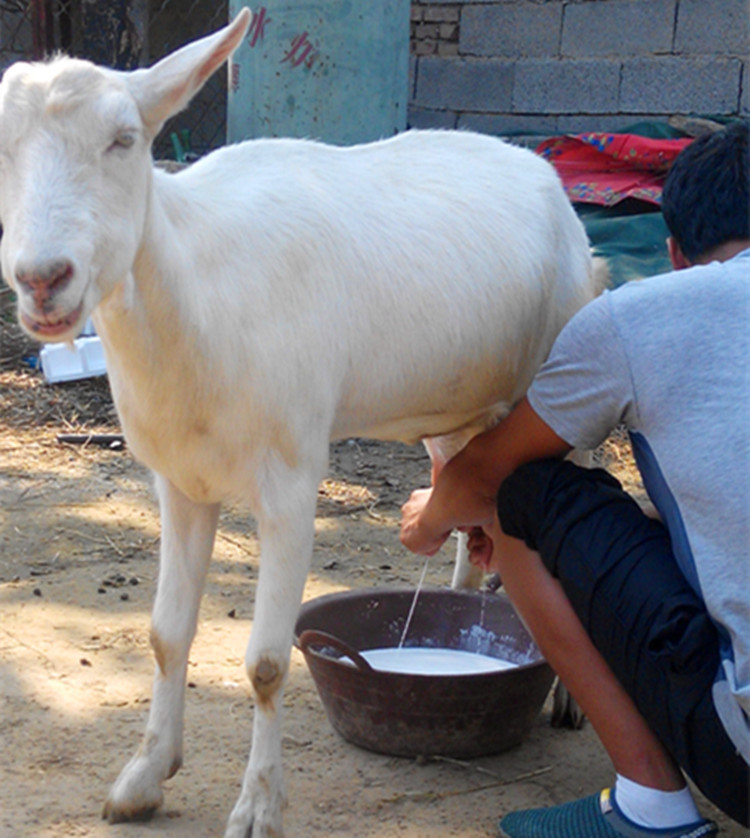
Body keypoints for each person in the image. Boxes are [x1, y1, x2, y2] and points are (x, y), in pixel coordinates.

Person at [400, 120, 750, 837]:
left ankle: (648, 805)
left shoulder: (641, 315)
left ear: (675, 252)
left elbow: (485, 475)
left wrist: (430, 519)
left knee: (522, 491)